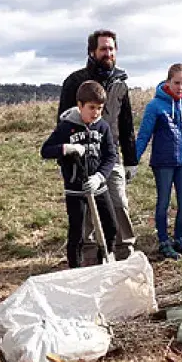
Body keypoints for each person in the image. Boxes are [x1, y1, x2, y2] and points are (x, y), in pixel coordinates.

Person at [57, 30, 137, 259]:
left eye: (111, 48)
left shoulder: (120, 83)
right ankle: (91, 256)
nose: (108, 53)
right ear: (92, 52)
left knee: (119, 203)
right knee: (88, 212)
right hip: (83, 158)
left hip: (111, 156)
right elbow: (62, 123)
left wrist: (131, 160)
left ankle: (124, 252)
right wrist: (68, 157)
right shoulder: (74, 82)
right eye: (103, 48)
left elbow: (126, 122)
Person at [42, 81, 118, 267]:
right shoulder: (66, 127)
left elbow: (110, 156)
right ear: (80, 106)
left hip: (98, 187)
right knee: (77, 231)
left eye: (100, 108)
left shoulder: (103, 127)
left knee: (111, 226)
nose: (96, 112)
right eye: (91, 108)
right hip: (75, 190)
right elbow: (45, 151)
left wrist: (99, 177)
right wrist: (66, 148)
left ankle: (106, 259)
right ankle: (74, 268)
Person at [135, 64, 182, 260]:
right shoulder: (155, 105)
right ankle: (164, 241)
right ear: (168, 82)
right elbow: (144, 135)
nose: (180, 87)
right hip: (163, 161)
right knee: (163, 202)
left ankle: (180, 239)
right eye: (177, 83)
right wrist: (133, 161)